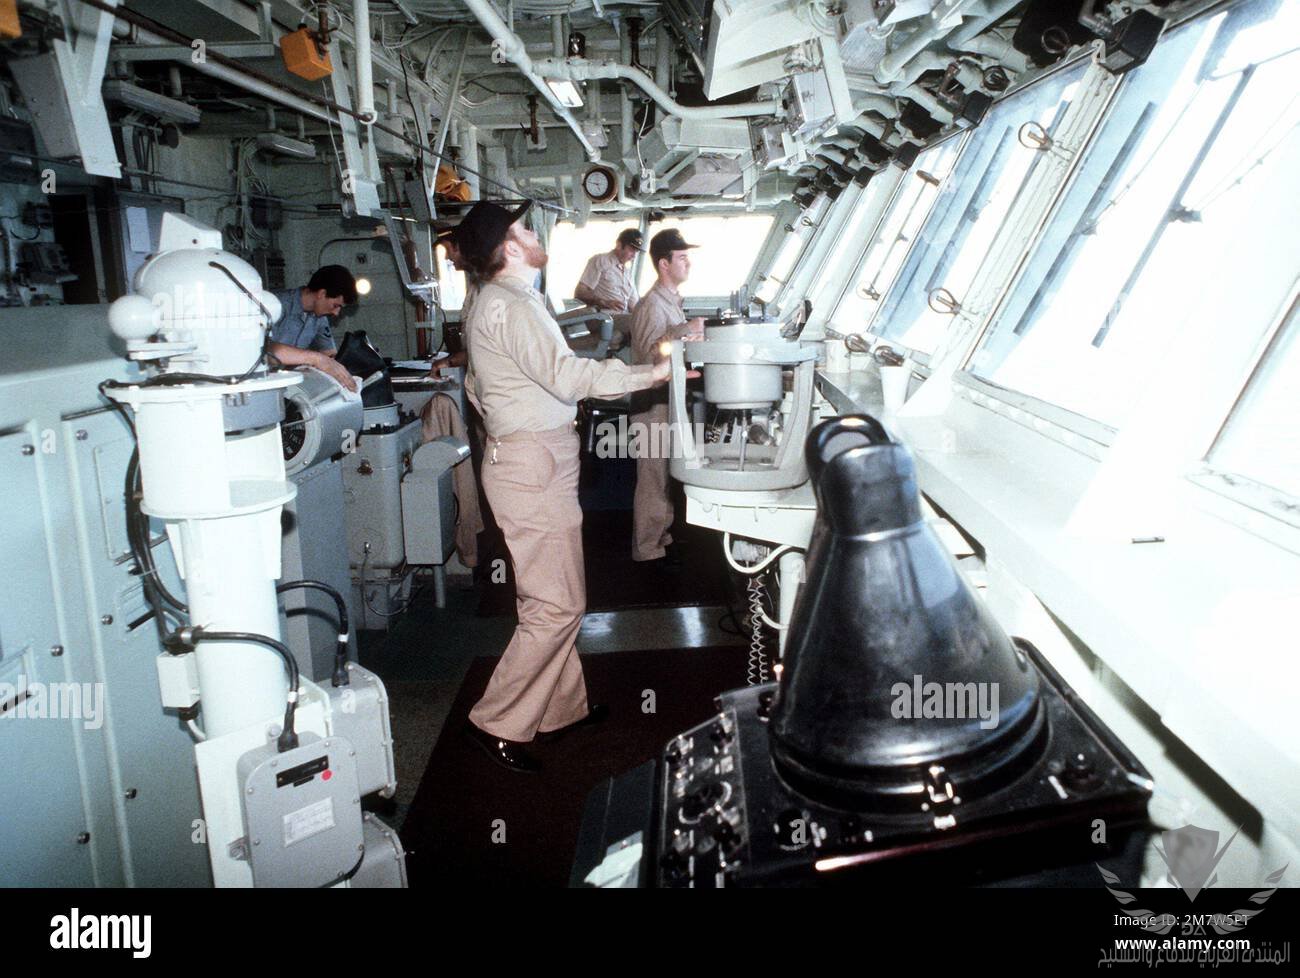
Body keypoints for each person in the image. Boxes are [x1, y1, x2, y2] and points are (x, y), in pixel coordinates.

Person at [457, 200, 670, 773]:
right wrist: (653, 372)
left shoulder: (508, 301)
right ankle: (496, 721)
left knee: (547, 595)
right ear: (508, 247)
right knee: (559, 604)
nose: (534, 232)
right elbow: (569, 376)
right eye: (525, 228)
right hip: (533, 464)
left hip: (530, 458)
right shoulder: (510, 305)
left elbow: (482, 386)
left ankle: (560, 709)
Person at [628, 228, 705, 564]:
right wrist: (683, 331)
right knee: (653, 479)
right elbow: (648, 358)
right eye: (682, 257)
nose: (688, 262)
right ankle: (646, 549)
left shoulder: (671, 302)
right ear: (664, 263)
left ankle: (662, 535)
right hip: (651, 404)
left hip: (667, 401)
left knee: (664, 477)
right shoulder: (651, 306)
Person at [269, 265, 358, 391]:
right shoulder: (275, 305)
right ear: (322, 293)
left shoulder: (319, 318)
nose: (336, 313)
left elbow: (329, 355)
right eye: (335, 305)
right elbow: (264, 350)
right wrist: (316, 359)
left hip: (289, 388)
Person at [574, 228, 643, 313]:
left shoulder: (628, 273)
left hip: (622, 318)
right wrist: (603, 302)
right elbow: (580, 292)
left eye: (637, 251)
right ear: (619, 245)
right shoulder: (600, 260)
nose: (634, 256)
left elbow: (634, 306)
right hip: (603, 318)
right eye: (631, 250)